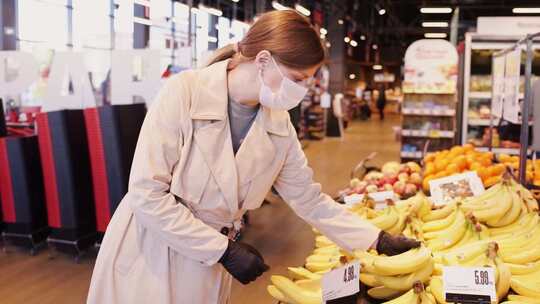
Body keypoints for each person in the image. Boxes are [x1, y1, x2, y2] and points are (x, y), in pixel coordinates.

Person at [87, 10, 419, 304]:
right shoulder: (183, 93)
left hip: (207, 259)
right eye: (297, 79)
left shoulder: (278, 123)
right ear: (262, 60)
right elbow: (147, 193)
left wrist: (376, 238)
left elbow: (309, 200)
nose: (300, 90)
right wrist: (222, 250)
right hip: (152, 248)